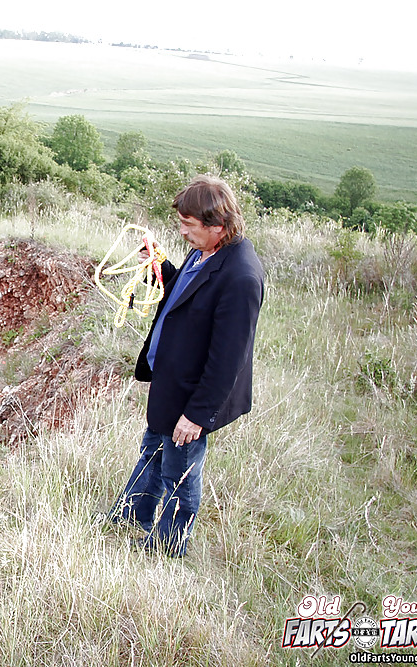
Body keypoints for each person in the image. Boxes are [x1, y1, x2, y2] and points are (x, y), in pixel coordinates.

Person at [104, 174, 265, 557]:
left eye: (188, 226)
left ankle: (166, 547)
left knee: (180, 472)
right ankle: (130, 516)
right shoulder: (207, 250)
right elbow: (186, 295)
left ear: (218, 225)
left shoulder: (241, 277)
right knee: (153, 451)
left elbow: (229, 359)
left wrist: (196, 416)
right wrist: (162, 266)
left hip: (192, 393)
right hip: (171, 381)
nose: (183, 232)